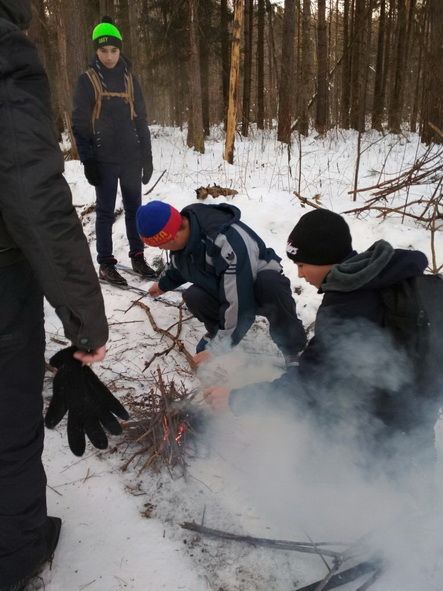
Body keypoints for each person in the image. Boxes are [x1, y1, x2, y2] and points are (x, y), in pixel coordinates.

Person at [0, 2, 112, 589]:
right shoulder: (4, 49)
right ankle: (16, 559)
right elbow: (32, 191)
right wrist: (84, 320)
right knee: (9, 429)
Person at [204, 209, 439, 470]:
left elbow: (310, 383)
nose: (300, 274)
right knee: (417, 477)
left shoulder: (349, 303)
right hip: (419, 408)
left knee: (368, 482)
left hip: (385, 427)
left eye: (302, 265)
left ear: (324, 259)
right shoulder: (379, 276)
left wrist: (237, 399)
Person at [136, 200, 307, 365]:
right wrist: (162, 285)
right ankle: (218, 333)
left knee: (271, 284)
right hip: (227, 287)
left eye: (161, 245)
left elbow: (240, 299)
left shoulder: (226, 240)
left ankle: (294, 350)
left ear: (174, 235)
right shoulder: (184, 239)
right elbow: (178, 266)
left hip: (255, 286)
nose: (161, 249)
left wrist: (219, 348)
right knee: (194, 295)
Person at [72, 16, 156, 286]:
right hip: (103, 159)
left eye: (114, 50)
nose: (109, 56)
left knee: (135, 209)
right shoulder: (87, 81)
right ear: (96, 50)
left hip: (130, 157)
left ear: (120, 50)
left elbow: (141, 119)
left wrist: (147, 157)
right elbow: (79, 123)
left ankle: (137, 255)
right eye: (103, 50)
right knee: (106, 212)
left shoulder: (131, 80)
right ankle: (106, 263)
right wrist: (88, 161)